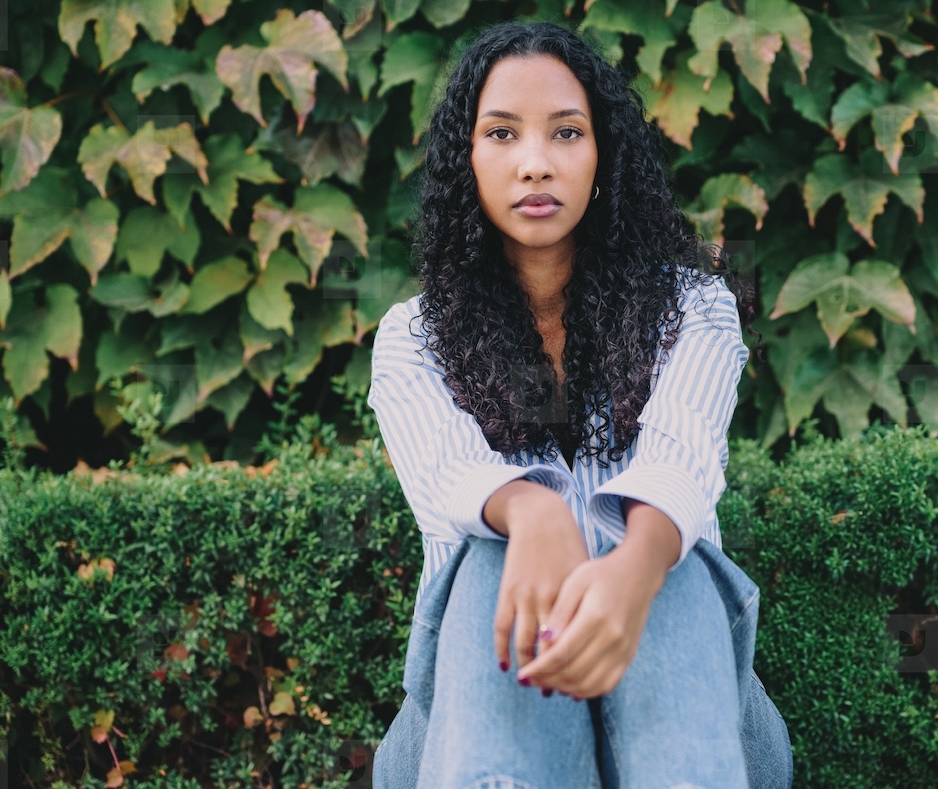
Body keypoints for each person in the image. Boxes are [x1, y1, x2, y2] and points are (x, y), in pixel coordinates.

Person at [367, 19, 792, 789]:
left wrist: (634, 567)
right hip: (470, 722)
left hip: (693, 710)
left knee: (670, 557)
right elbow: (446, 475)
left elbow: (682, 457)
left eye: (566, 133)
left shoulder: (695, 309)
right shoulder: (412, 338)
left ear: (604, 157)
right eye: (501, 134)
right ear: (466, 160)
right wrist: (533, 514)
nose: (535, 164)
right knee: (491, 555)